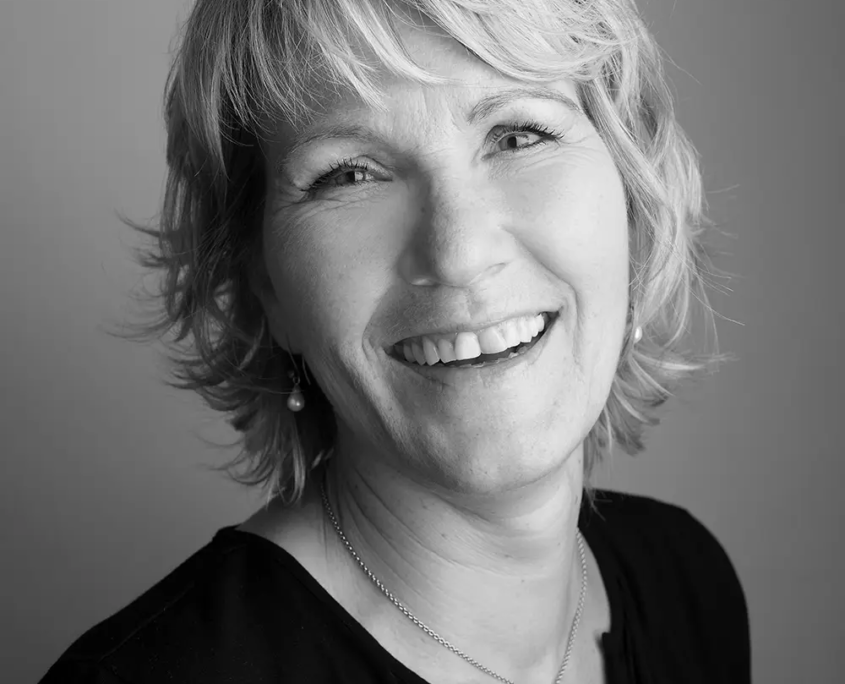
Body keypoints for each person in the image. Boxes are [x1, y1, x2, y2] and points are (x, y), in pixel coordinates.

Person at [40, 0, 750, 682]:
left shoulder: (687, 586)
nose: (458, 253)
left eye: (517, 135)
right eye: (350, 174)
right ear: (265, 287)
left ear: (632, 197)